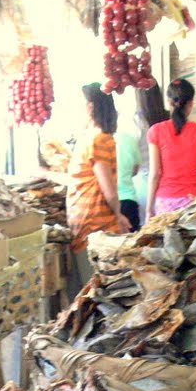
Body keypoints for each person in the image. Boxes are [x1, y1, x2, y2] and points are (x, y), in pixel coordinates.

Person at [66, 83, 130, 302]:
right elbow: (106, 188)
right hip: (92, 223)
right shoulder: (96, 139)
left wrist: (117, 215)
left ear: (91, 107)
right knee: (95, 293)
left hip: (92, 224)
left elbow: (108, 189)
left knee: (93, 293)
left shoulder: (95, 139)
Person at [146, 79, 196, 217]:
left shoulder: (156, 131)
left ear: (169, 102)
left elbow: (154, 174)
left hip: (165, 203)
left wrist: (148, 209)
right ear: (191, 103)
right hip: (193, 202)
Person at [118, 83, 169, 226]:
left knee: (146, 233)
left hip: (143, 183)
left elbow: (131, 160)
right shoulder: (167, 118)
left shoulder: (135, 122)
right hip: (166, 182)